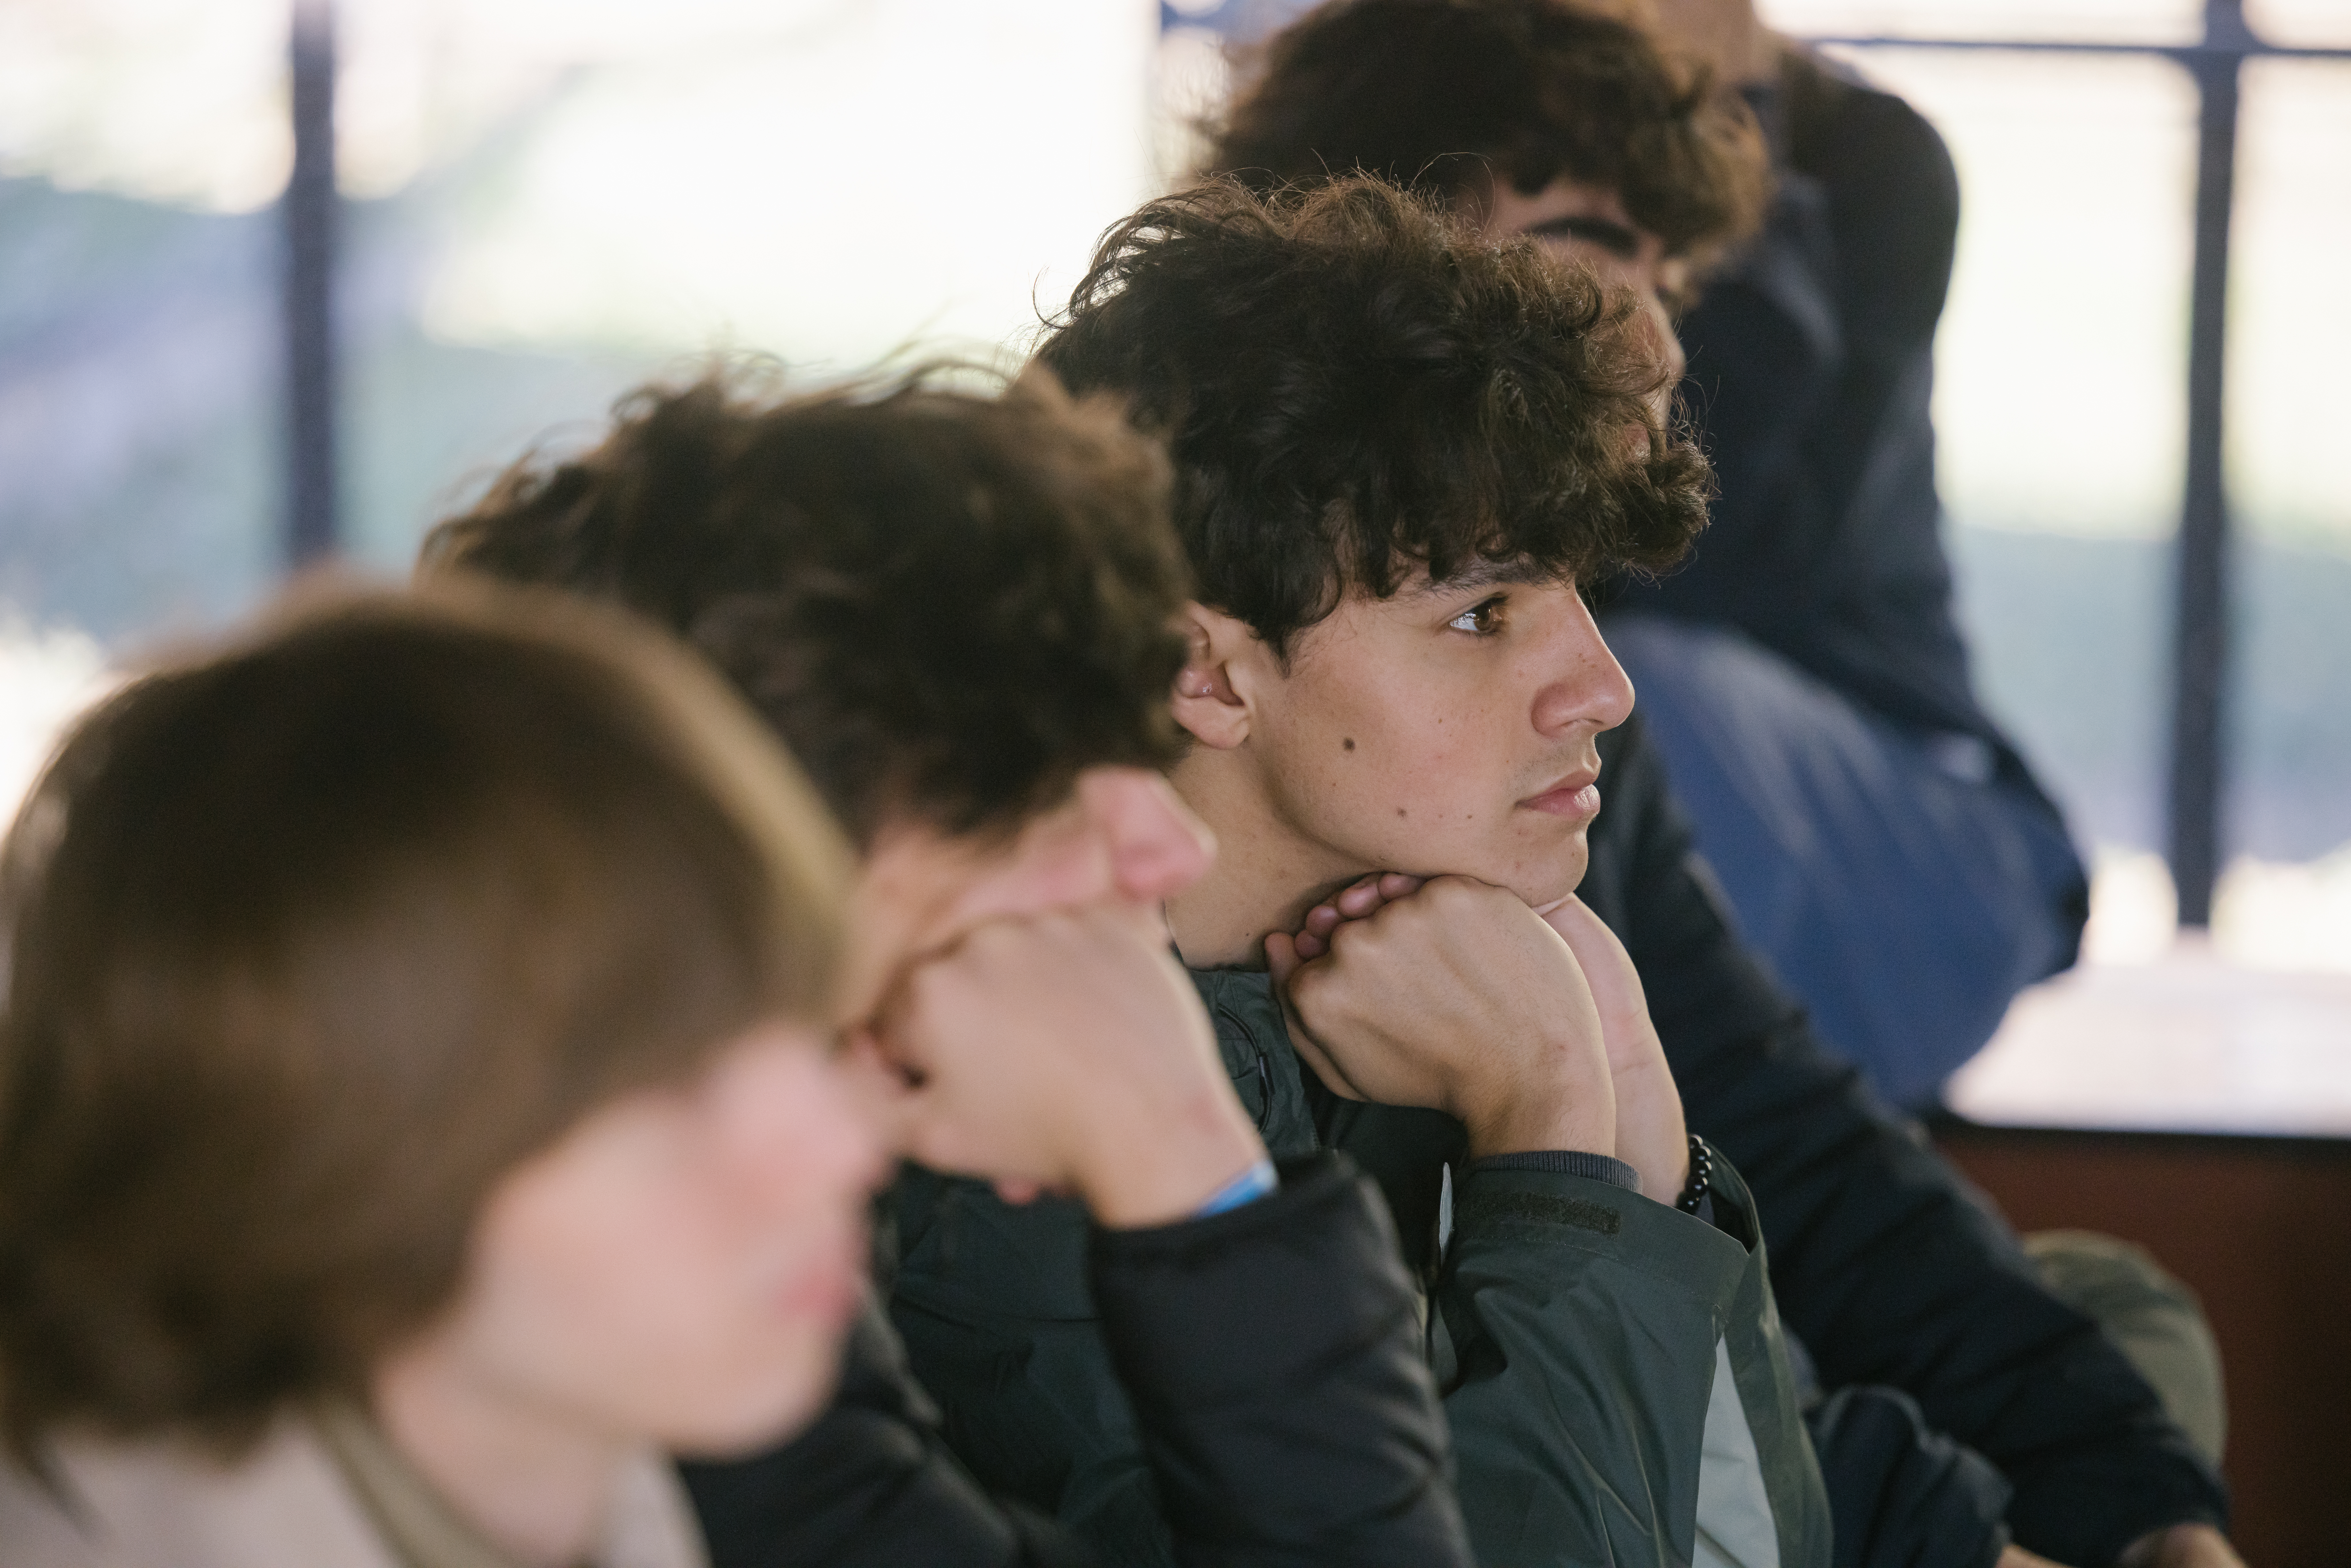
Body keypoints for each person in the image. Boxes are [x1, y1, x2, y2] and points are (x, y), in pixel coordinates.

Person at [425, 341, 1831, 1568]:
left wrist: (1599, 1095)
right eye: (1042, 787)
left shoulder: (756, 1319)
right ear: (756, 847)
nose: (1157, 845)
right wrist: (1193, 1170)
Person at [1199, 4, 2235, 1566]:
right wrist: (1556, 1122)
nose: (1664, 345)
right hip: (1585, 1431)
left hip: (1699, 1379)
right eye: (1591, 254)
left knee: (2120, 1329)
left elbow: (1786, 1142)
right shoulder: (1310, 770)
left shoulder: (1558, 726)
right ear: (1351, 245)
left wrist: (2140, 1504)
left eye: (1676, 281)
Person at [0, 579, 1471, 1567]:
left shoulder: (600, 1466)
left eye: (789, 1032)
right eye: (666, 1091)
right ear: (312, 1145)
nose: (833, 1142)